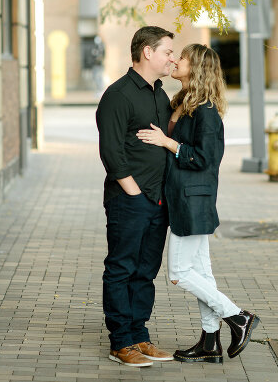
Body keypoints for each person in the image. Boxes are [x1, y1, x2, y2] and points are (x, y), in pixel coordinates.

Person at [136, 43, 260, 363]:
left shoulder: (206, 111)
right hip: (180, 198)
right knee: (202, 275)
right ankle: (209, 344)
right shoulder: (181, 102)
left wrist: (167, 142)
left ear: (198, 68)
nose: (176, 60)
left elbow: (206, 159)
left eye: (184, 59)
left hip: (192, 202)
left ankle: (238, 317)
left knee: (179, 273)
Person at [95, 26, 176, 368]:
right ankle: (121, 342)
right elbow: (111, 149)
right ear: (147, 52)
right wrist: (132, 190)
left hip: (158, 200)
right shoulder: (118, 95)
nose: (173, 58)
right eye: (168, 52)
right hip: (130, 199)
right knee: (121, 268)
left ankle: (139, 335)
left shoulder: (160, 95)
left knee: (145, 270)